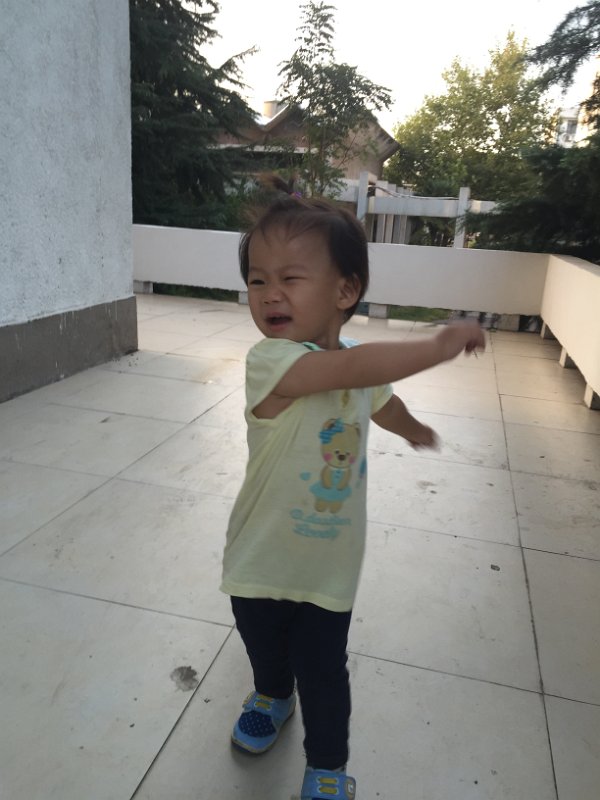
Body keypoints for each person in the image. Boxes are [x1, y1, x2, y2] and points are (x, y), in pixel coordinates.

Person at [220, 189, 485, 800]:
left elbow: (379, 398)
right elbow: (351, 373)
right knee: (266, 649)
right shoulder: (272, 362)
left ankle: (327, 765)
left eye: (290, 278)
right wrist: (436, 346)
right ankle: (271, 696)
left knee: (324, 671)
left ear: (345, 291)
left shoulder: (359, 367)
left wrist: (413, 429)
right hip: (259, 558)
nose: (269, 294)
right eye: (257, 280)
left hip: (328, 565)